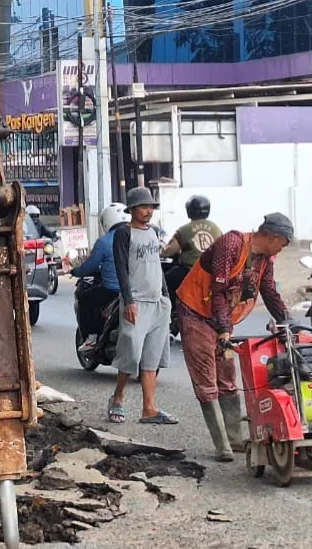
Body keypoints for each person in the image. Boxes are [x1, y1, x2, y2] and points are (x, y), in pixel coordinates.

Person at [176, 213, 294, 461]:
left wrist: (288, 322)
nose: (280, 251)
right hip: (196, 312)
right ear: (274, 237)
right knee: (206, 380)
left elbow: (269, 291)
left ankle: (236, 438)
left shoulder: (264, 259)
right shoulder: (232, 243)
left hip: (221, 318)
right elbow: (218, 291)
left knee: (227, 377)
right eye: (282, 245)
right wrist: (223, 330)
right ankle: (223, 446)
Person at [106, 187, 177, 426]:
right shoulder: (124, 234)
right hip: (136, 302)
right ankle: (117, 398)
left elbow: (157, 266)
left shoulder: (154, 232)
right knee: (131, 354)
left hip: (157, 302)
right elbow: (121, 269)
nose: (148, 211)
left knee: (151, 359)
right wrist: (129, 301)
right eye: (144, 207)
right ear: (133, 209)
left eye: (151, 207)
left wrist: (166, 298)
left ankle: (149, 409)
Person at [72, 204, 131, 351]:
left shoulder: (104, 241)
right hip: (137, 288)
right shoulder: (138, 235)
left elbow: (90, 266)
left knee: (85, 298)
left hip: (113, 290)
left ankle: (91, 337)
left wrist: (76, 271)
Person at [162, 194, 222, 299]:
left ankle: (171, 309)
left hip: (190, 271)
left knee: (166, 281)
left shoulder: (184, 230)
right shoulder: (216, 228)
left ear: (189, 210)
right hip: (213, 272)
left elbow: (167, 252)